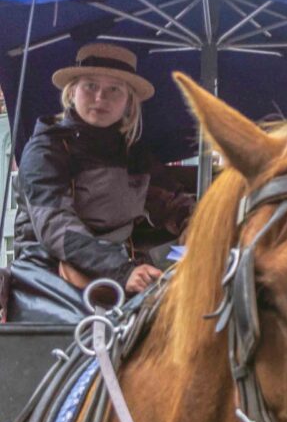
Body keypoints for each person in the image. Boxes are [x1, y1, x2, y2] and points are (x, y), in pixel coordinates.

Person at [10, 43, 194, 322]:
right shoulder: (46, 149)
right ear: (72, 91)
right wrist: (122, 271)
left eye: (114, 90)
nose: (100, 97)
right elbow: (55, 225)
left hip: (121, 266)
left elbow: (173, 202)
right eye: (90, 86)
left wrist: (199, 226)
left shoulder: (135, 155)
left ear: (129, 102)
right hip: (48, 272)